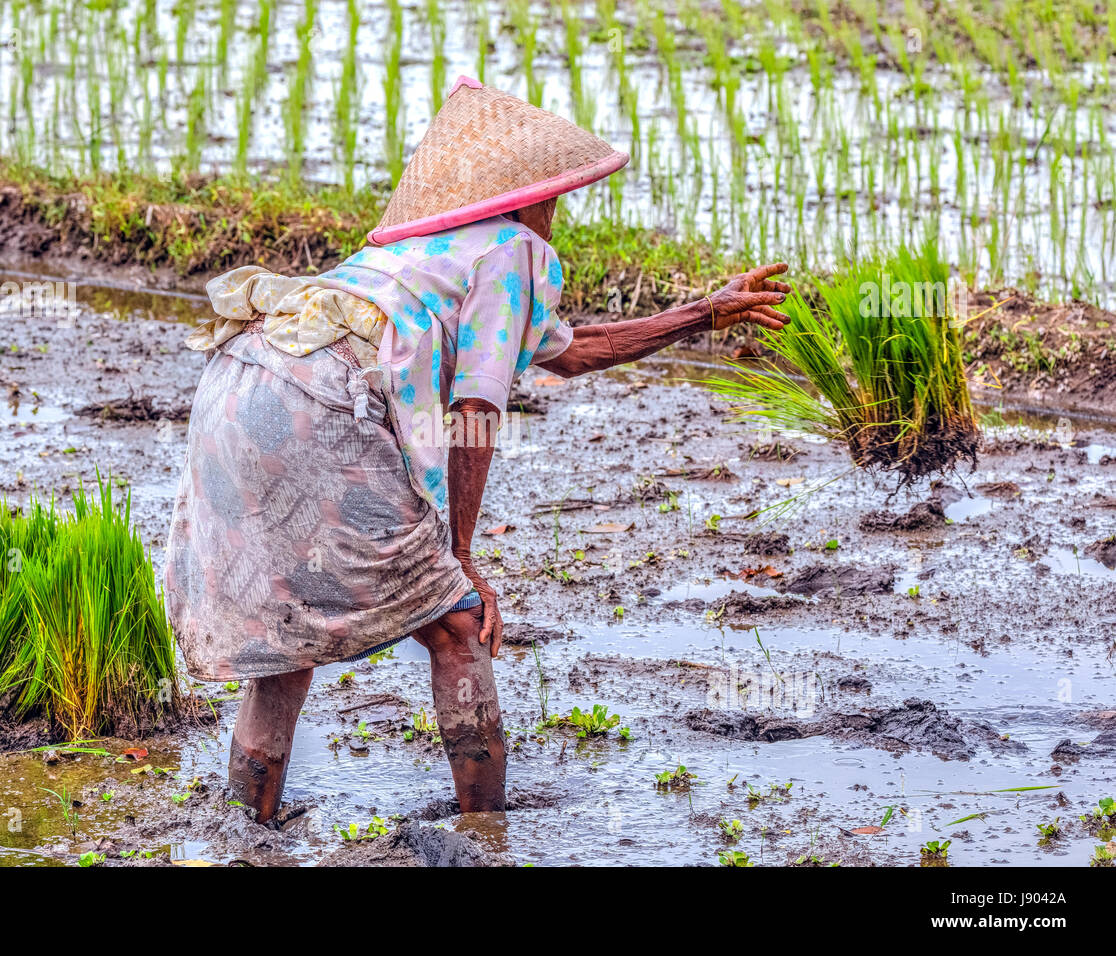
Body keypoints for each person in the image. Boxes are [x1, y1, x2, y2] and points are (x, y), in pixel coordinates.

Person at [164, 77, 789, 820]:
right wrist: (460, 552)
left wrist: (701, 315)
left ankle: (246, 828)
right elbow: (476, 409)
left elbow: (574, 350)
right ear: (524, 199)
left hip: (240, 379)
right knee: (460, 622)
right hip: (320, 398)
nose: (556, 214)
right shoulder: (515, 249)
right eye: (553, 197)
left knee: (285, 632)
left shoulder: (434, 247)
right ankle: (486, 831)